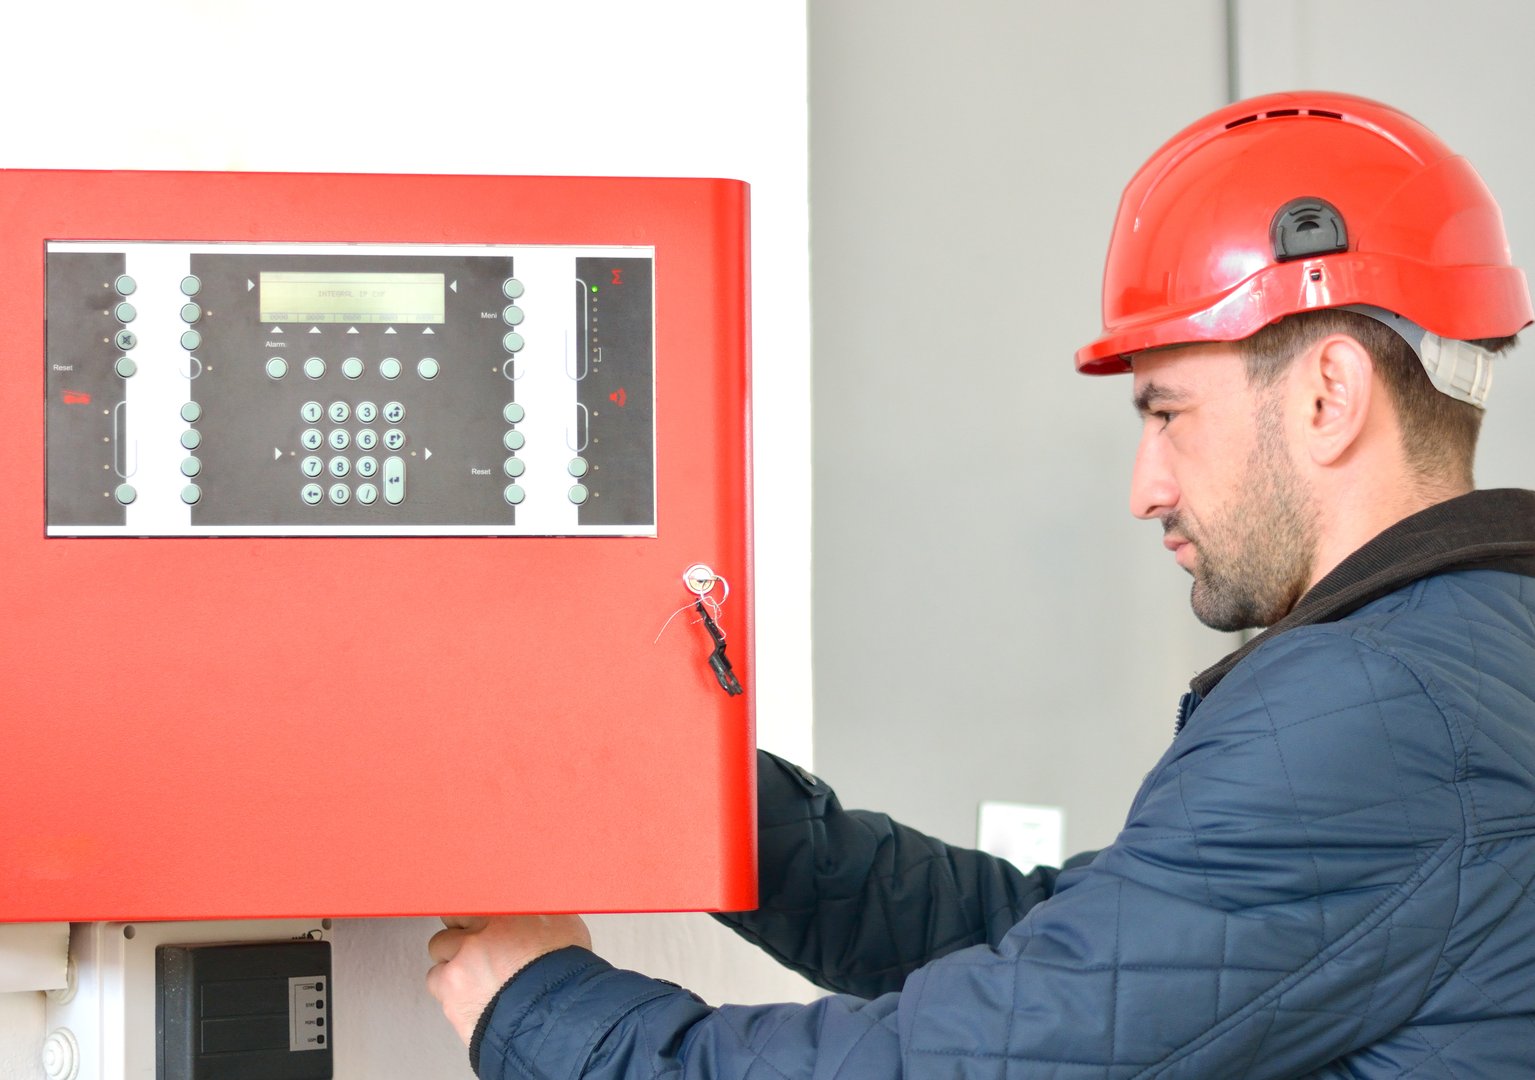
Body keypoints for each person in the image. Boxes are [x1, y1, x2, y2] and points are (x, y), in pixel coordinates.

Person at [426, 90, 1535, 1078]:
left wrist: (546, 1011)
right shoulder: (1471, 649)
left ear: (1325, 395)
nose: (1144, 487)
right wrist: (696, 798)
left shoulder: (1374, 712)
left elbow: (980, 1055)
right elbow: (1067, 947)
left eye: (1167, 414)